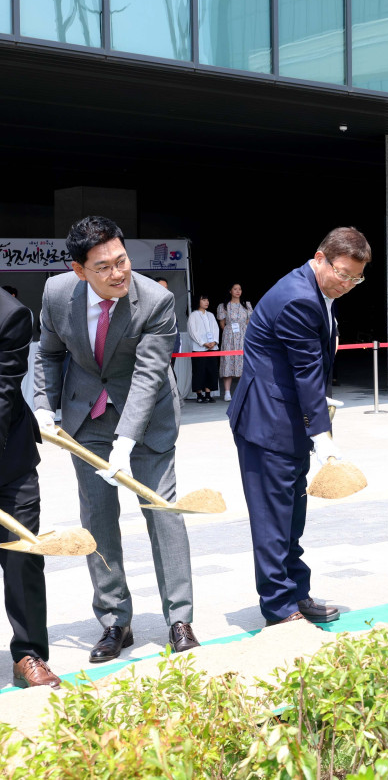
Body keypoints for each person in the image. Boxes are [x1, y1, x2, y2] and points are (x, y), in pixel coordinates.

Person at [32, 215, 199, 662]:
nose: (117, 273)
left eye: (121, 260)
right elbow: (48, 353)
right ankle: (114, 621)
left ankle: (179, 618)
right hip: (87, 422)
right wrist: (44, 406)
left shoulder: (157, 301)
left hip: (148, 421)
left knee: (163, 513)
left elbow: (148, 374)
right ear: (78, 270)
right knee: (98, 522)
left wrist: (126, 441)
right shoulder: (57, 294)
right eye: (102, 267)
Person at [228, 226, 370, 626]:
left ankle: (296, 593)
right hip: (265, 422)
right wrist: (322, 435)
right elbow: (307, 371)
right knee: (273, 519)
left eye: (356, 279)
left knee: (292, 516)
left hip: (286, 417)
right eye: (342, 273)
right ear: (321, 257)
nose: (347, 284)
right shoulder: (298, 299)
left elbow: (302, 366)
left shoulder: (319, 292)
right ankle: (278, 608)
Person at [0, 288, 58, 689]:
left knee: (23, 554)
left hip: (10, 461)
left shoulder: (10, 314)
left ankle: (28, 654)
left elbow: (3, 392)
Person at [217, 283, 252, 402]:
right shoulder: (224, 306)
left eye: (240, 289)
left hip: (243, 336)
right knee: (228, 362)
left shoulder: (246, 305)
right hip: (229, 337)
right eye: (235, 289)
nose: (238, 291)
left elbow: (248, 322)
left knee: (243, 362)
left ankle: (243, 391)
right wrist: (231, 333)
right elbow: (222, 324)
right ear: (230, 291)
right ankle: (227, 392)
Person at [187, 294, 220, 403]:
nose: (207, 302)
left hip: (212, 348)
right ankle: (199, 394)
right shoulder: (193, 315)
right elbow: (192, 331)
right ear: (198, 301)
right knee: (199, 371)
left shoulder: (210, 315)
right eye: (204, 300)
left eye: (207, 299)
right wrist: (203, 343)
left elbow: (216, 329)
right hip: (199, 348)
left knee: (211, 371)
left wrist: (214, 341)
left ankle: (208, 394)